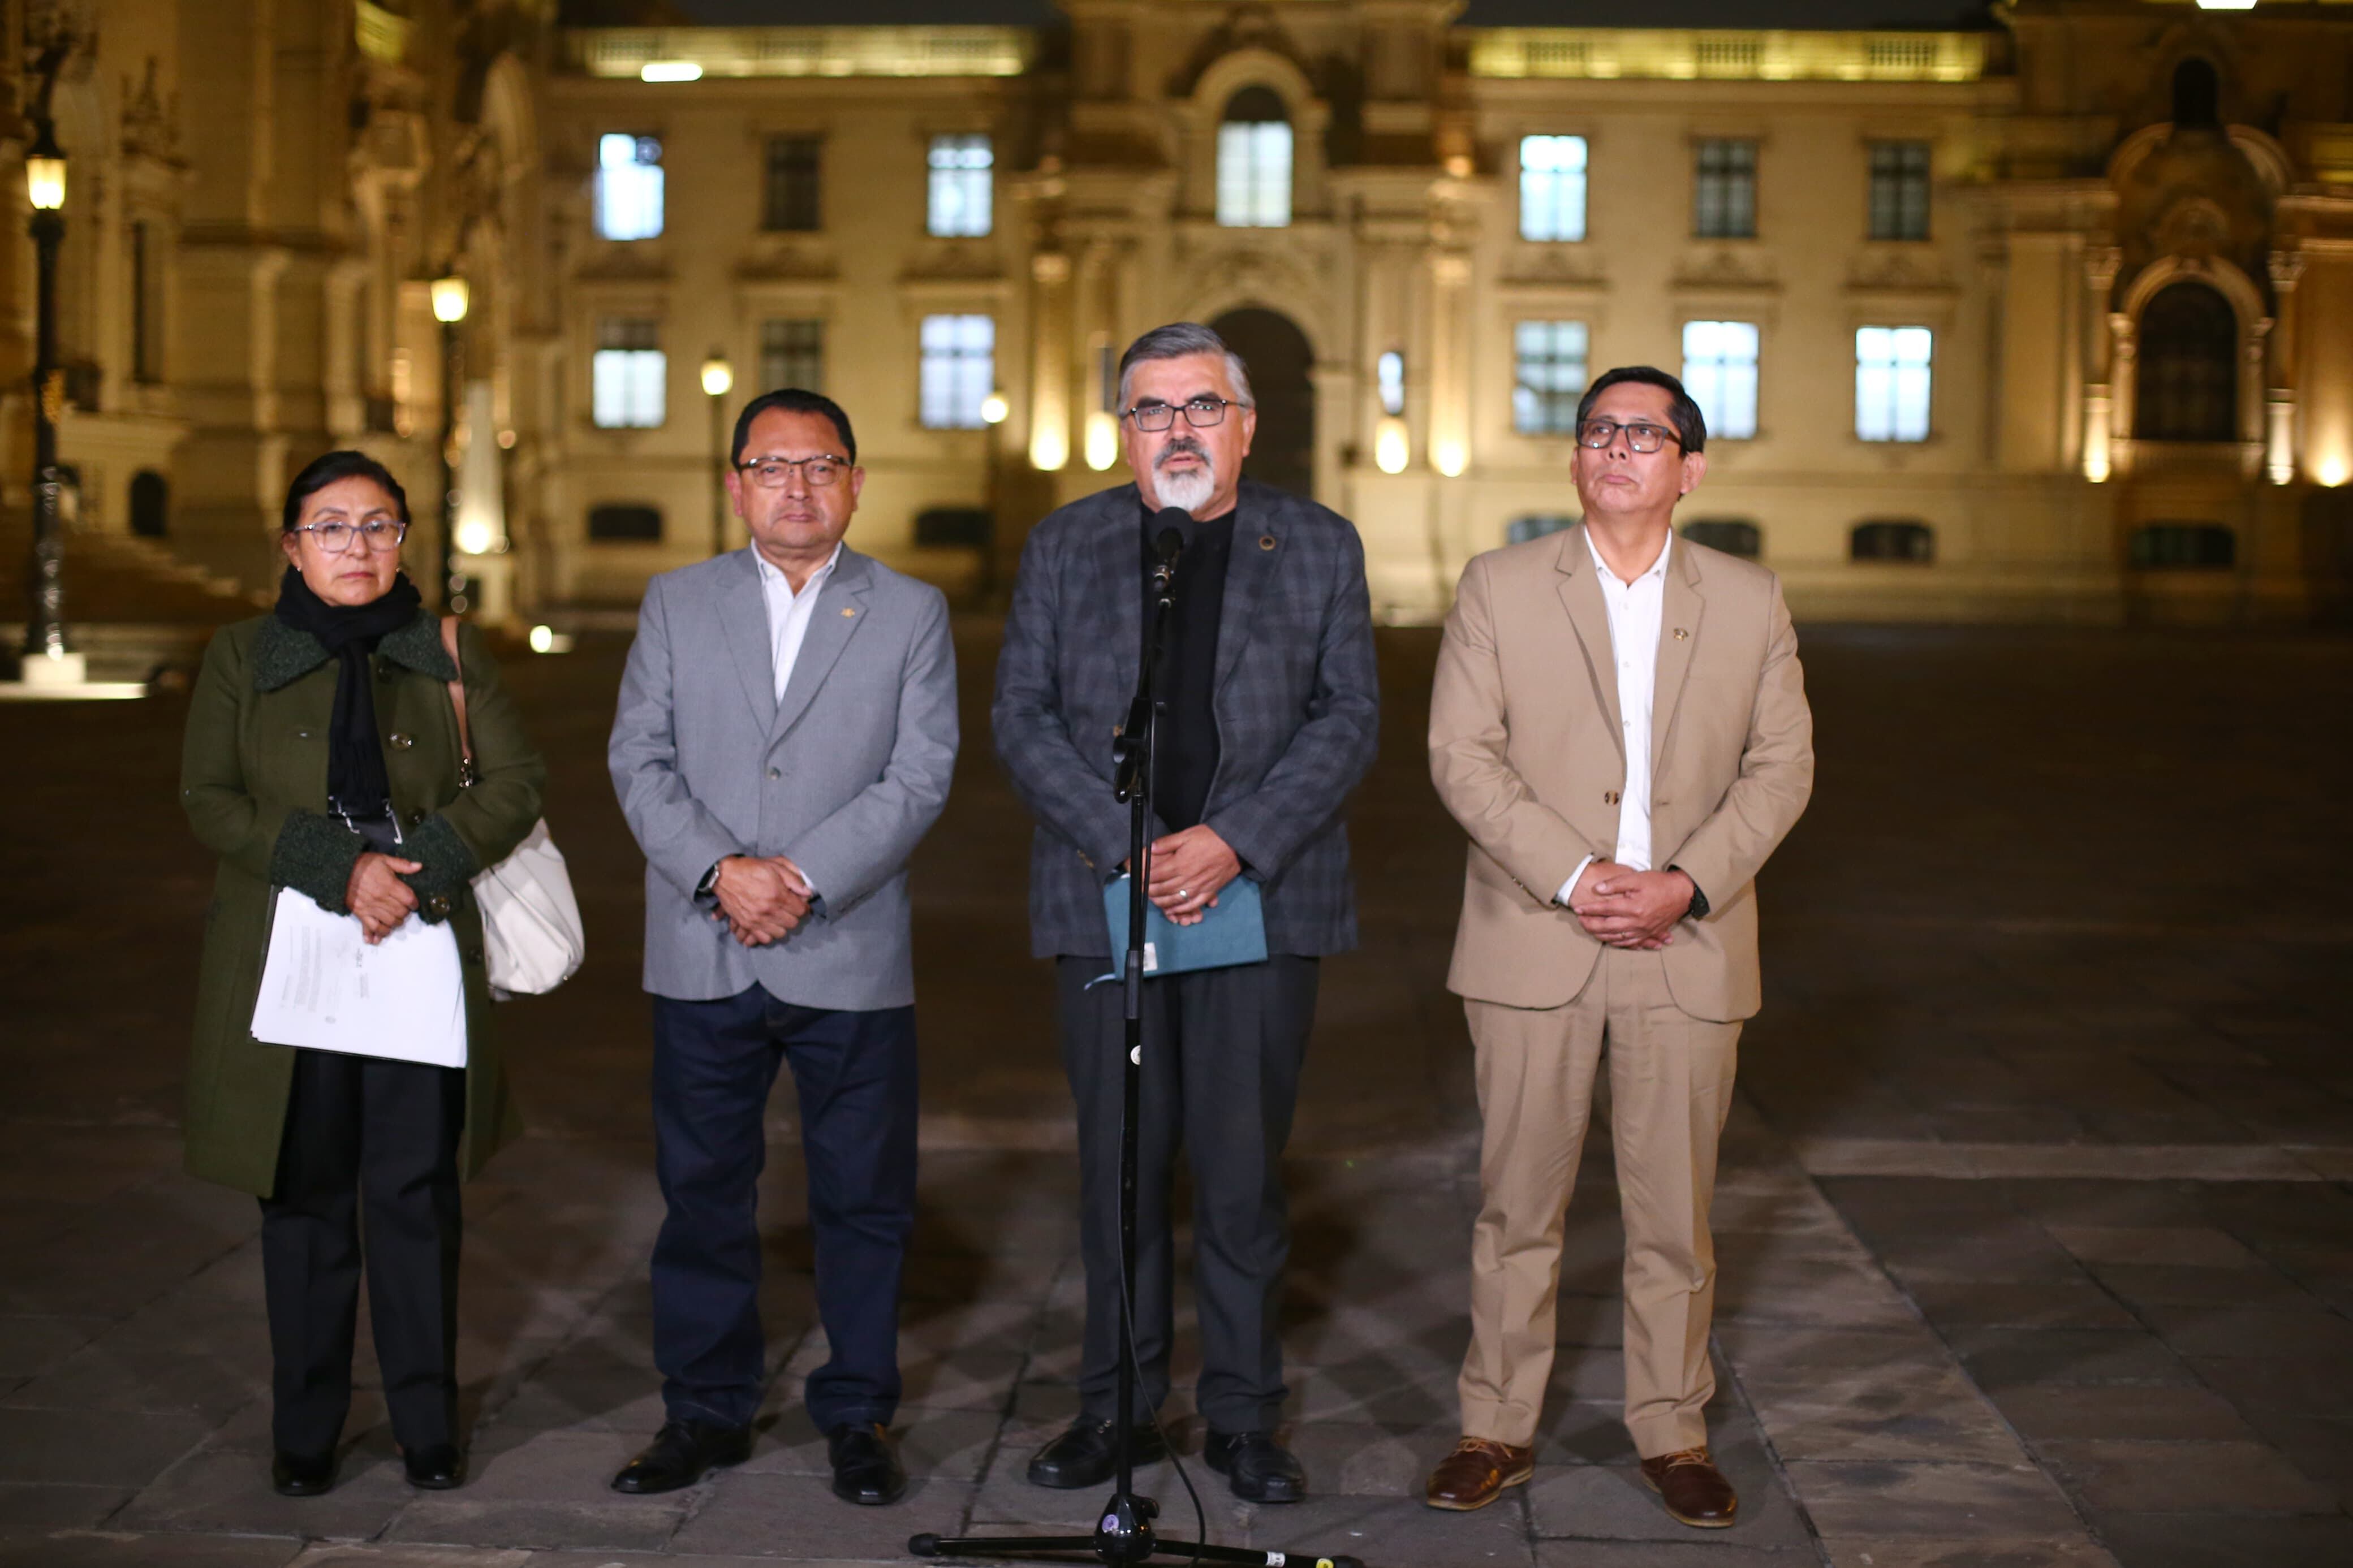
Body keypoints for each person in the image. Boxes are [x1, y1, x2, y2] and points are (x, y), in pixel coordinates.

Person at [993, 322, 1379, 1504]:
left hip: (1259, 897)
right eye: (1151, 409)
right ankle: (1114, 1406)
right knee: (1118, 1169)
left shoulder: (1314, 544)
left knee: (1241, 1172)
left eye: (1200, 407)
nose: (1176, 430)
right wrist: (1130, 844)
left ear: (1244, 424)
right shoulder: (1069, 543)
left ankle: (1243, 1416)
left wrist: (1230, 842)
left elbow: (1346, 717)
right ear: (1123, 428)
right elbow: (1023, 715)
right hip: (1106, 895)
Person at [1421, 366, 1814, 1524]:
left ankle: (1672, 1429)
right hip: (1532, 938)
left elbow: (1781, 766)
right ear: (1577, 457)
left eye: (1645, 433)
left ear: (1689, 467)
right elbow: (1461, 754)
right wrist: (1574, 872)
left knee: (1672, 1211)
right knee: (1515, 1208)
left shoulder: (1749, 598)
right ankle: (1493, 1425)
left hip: (1685, 948)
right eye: (1599, 430)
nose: (1617, 448)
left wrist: (1686, 884)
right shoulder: (1499, 585)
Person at [606, 387, 958, 1507]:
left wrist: (798, 877)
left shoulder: (909, 611)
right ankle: (702, 1409)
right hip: (703, 943)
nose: (797, 487)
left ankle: (858, 1409)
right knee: (704, 1189)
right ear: (736, 483)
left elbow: (920, 773)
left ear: (857, 482)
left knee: (863, 1196)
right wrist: (722, 873)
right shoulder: (676, 600)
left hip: (845, 943)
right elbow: (638, 760)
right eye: (772, 467)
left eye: (821, 467)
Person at [179, 450, 546, 1498]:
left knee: (415, 1192)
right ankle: (307, 1428)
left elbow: (518, 778)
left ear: (402, 542)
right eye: (331, 527)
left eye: (377, 526)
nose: (357, 546)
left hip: (418, 944)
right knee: (301, 1192)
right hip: (288, 949)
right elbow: (209, 796)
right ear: (293, 545)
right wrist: (339, 869)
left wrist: (413, 871)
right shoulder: (241, 653)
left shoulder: (448, 650)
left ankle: (428, 1423)